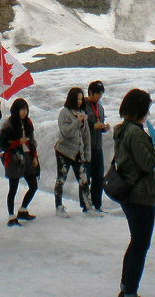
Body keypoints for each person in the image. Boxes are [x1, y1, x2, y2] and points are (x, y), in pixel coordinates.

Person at [113, 88, 155, 297]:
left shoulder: (122, 130)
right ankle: (130, 292)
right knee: (140, 245)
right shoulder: (135, 133)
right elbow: (147, 163)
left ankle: (126, 287)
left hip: (129, 193)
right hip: (140, 195)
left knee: (136, 242)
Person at [0, 97, 39, 226]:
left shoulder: (28, 123)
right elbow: (2, 144)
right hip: (14, 158)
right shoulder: (8, 124)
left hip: (27, 156)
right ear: (16, 110)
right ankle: (11, 216)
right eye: (21, 110)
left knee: (33, 186)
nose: (24, 112)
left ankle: (23, 209)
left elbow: (32, 141)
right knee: (13, 188)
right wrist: (17, 143)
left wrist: (35, 157)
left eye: (25, 109)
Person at [54, 86, 94, 217]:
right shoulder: (64, 113)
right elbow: (66, 132)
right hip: (64, 151)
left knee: (83, 179)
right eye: (77, 99)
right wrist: (77, 121)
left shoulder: (82, 113)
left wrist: (87, 153)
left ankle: (88, 207)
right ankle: (58, 206)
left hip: (78, 152)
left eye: (81, 99)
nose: (80, 102)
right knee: (61, 178)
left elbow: (86, 134)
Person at [83, 80, 110, 212]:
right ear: (90, 92)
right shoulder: (82, 105)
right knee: (86, 177)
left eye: (101, 94)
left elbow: (101, 124)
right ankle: (86, 205)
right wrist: (93, 126)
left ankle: (97, 205)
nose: (99, 97)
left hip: (98, 147)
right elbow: (80, 126)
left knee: (98, 177)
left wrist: (104, 127)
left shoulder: (100, 108)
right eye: (97, 94)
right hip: (86, 147)